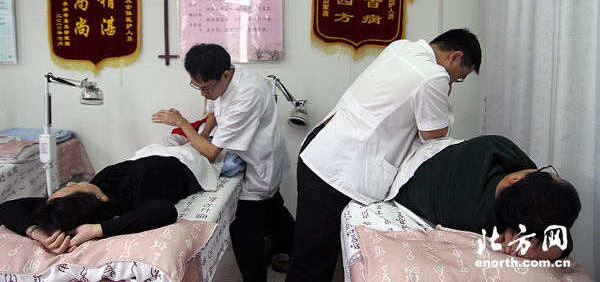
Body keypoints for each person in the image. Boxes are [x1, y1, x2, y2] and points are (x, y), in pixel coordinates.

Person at [285, 28, 482, 282]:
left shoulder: (401, 47)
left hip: (323, 147)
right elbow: (434, 135)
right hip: (336, 171)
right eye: (460, 76)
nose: (454, 81)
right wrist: (446, 92)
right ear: (456, 57)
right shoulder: (434, 76)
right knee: (312, 264)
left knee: (311, 253)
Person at [152, 43, 295, 282]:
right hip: (248, 157)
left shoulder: (246, 95)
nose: (202, 93)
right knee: (274, 211)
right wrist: (200, 137)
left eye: (205, 88)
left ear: (225, 76)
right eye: (197, 87)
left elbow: (211, 153)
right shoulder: (221, 77)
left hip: (260, 164)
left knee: (244, 231)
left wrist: (183, 124)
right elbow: (213, 114)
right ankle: (296, 253)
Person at [0, 140, 214, 254]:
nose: (71, 182)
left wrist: (35, 232)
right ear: (97, 200)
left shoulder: (66, 203)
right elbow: (165, 211)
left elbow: (7, 206)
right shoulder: (134, 200)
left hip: (150, 153)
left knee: (176, 135)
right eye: (72, 186)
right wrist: (97, 230)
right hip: (186, 162)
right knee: (201, 135)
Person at [395, 134, 581, 261]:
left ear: (515, 180)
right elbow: (560, 237)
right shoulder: (485, 226)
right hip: (413, 165)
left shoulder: (497, 149)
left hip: (407, 170)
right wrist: (536, 251)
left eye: (543, 171)